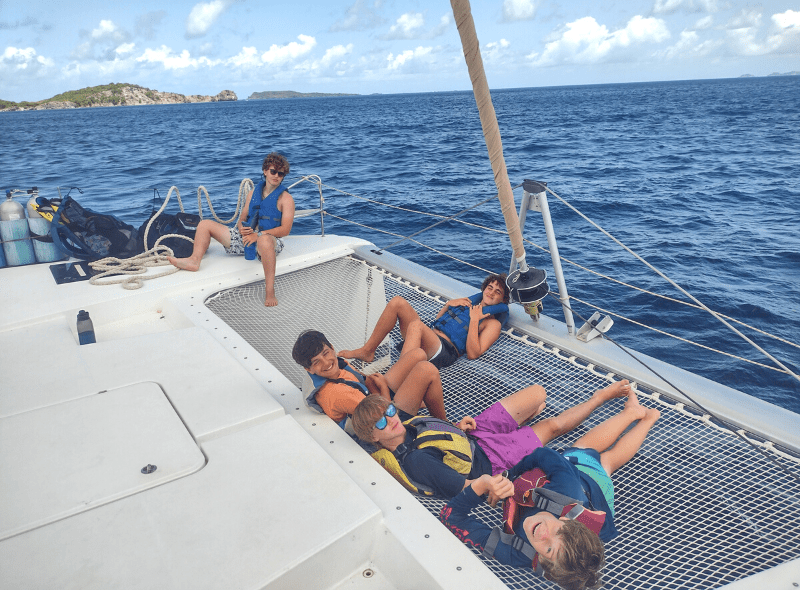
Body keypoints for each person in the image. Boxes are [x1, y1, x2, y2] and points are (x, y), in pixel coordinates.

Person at [438, 391, 661, 590]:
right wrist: (507, 476)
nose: (545, 534)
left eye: (549, 550)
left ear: (540, 562)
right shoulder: (566, 489)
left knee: (608, 461)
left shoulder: (515, 553)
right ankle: (638, 416)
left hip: (589, 503)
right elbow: (543, 455)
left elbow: (450, 516)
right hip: (590, 485)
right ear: (568, 521)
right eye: (558, 531)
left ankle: (643, 416)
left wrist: (481, 485)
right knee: (590, 454)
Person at [351, 379, 634, 499]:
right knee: (553, 425)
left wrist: (457, 427)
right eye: (381, 421)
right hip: (492, 458)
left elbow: (436, 434)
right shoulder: (417, 460)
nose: (391, 418)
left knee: (537, 393)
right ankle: (601, 397)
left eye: (388, 410)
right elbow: (468, 487)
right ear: (373, 437)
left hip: (473, 432)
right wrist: (499, 485)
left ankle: (527, 417)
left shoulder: (404, 426)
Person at [168, 153, 295, 306]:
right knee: (205, 224)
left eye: (281, 174)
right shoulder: (252, 194)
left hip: (270, 241)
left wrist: (259, 235)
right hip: (248, 238)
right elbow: (242, 218)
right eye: (273, 171)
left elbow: (285, 230)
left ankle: (269, 291)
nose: (276, 176)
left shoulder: (286, 199)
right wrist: (242, 228)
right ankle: (194, 261)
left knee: (265, 241)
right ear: (265, 171)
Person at [339, 273, 510, 370]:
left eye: (498, 292)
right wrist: (448, 304)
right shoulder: (467, 303)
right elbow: (439, 321)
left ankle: (397, 376)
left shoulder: (492, 324)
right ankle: (367, 351)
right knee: (398, 302)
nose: (492, 292)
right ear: (484, 289)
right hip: (426, 337)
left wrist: (474, 321)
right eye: (490, 288)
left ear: (503, 301)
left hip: (444, 351)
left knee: (417, 326)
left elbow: (473, 354)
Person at [291, 330, 447, 427]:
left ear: (332, 348)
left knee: (418, 354)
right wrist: (384, 389)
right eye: (316, 362)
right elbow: (385, 419)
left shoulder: (337, 365)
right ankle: (447, 425)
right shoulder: (339, 393)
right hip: (386, 422)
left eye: (326, 353)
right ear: (308, 369)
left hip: (374, 399)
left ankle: (414, 397)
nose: (326, 363)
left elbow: (362, 382)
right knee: (426, 370)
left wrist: (376, 383)